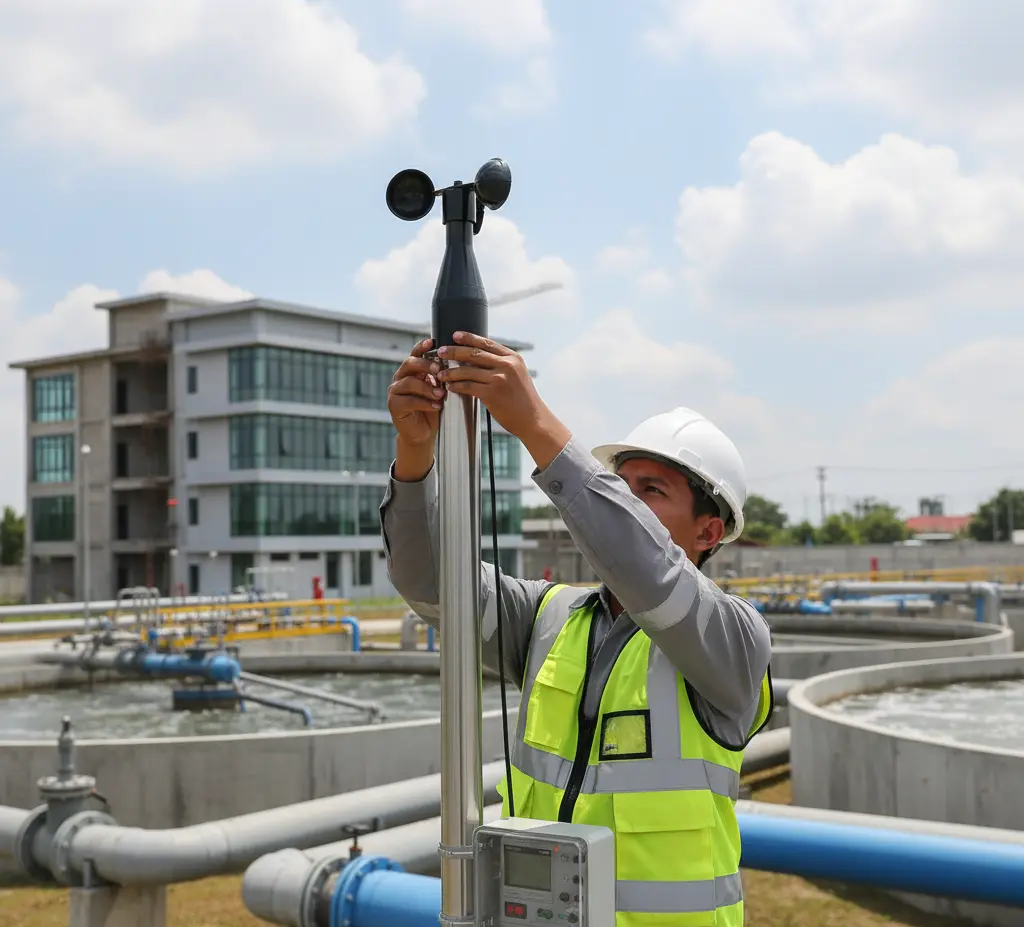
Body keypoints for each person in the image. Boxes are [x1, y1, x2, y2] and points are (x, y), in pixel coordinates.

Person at [380, 332, 773, 927]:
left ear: (709, 533)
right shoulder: (547, 617)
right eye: (623, 487)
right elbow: (434, 585)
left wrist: (534, 422)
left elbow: (651, 573)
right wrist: (415, 455)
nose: (630, 505)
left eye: (652, 493)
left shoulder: (731, 640)